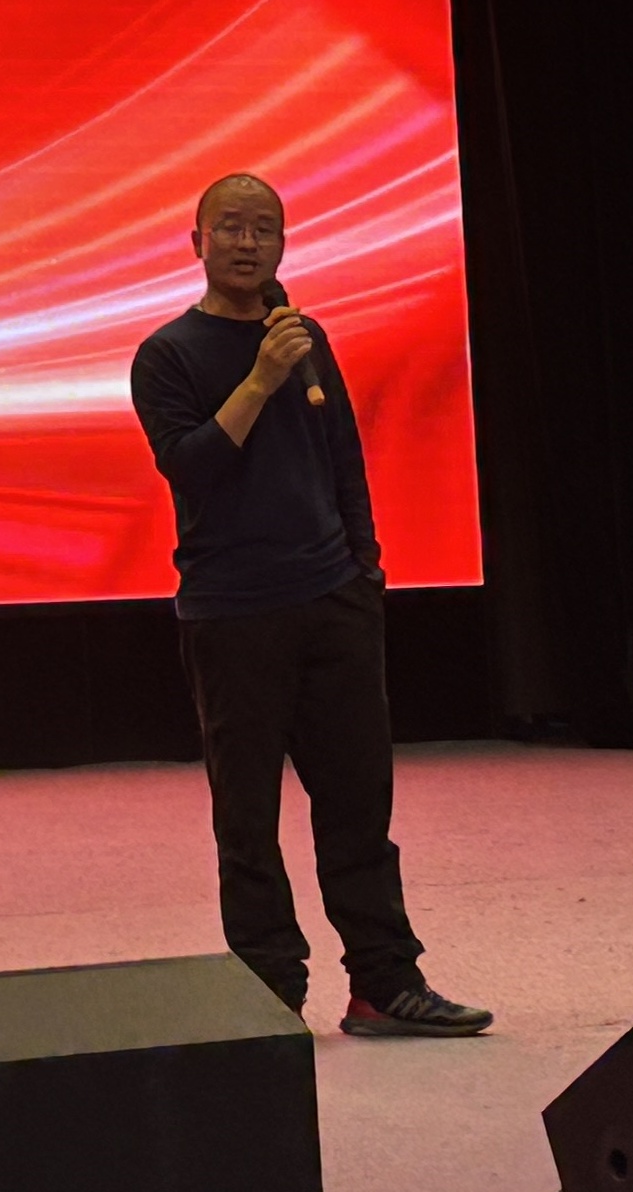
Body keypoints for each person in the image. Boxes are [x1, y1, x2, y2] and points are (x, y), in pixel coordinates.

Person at [128, 172, 492, 1038]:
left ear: (282, 245)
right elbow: (190, 468)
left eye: (264, 229)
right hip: (232, 612)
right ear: (196, 243)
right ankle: (268, 995)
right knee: (247, 819)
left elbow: (342, 462)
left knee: (359, 807)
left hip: (332, 602)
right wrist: (259, 379)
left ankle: (383, 984)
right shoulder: (167, 354)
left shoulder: (304, 335)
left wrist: (362, 573)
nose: (247, 243)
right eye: (230, 227)